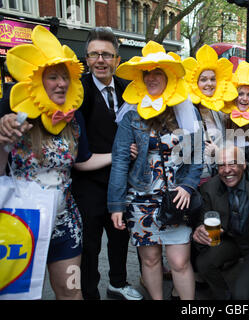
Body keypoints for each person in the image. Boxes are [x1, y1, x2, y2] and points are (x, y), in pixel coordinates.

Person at [0, 26, 112, 299]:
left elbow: (82, 161)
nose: (61, 83)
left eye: (64, 77)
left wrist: (118, 155)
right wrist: (1, 138)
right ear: (37, 81)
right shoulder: (13, 112)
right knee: (19, 294)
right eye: (53, 77)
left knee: (72, 292)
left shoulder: (73, 118)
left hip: (64, 221)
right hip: (20, 221)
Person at [108, 41, 203, 300]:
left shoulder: (186, 110)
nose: (151, 78)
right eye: (146, 73)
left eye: (157, 72)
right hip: (140, 198)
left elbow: (197, 157)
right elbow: (119, 160)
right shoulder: (131, 116)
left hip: (176, 198)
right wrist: (115, 204)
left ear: (168, 77)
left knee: (179, 261)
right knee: (150, 261)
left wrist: (187, 185)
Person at [69, 27, 142, 301]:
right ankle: (89, 293)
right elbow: (77, 150)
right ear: (86, 59)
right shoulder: (78, 92)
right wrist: (119, 153)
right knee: (89, 246)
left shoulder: (128, 89)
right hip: (88, 185)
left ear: (117, 60)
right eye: (94, 54)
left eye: (107, 55)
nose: (101, 60)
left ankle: (118, 283)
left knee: (120, 237)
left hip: (122, 183)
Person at [192, 145, 249, 299]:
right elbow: (202, 220)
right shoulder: (209, 188)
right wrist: (199, 231)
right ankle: (224, 296)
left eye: (232, 163)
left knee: (243, 295)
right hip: (232, 239)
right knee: (204, 263)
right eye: (221, 165)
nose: (227, 170)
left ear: (244, 164)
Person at [182, 44, 237, 183]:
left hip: (217, 176)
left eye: (213, 79)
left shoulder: (218, 110)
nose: (209, 83)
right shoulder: (185, 110)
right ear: (195, 82)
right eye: (204, 79)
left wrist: (218, 152)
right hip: (193, 179)